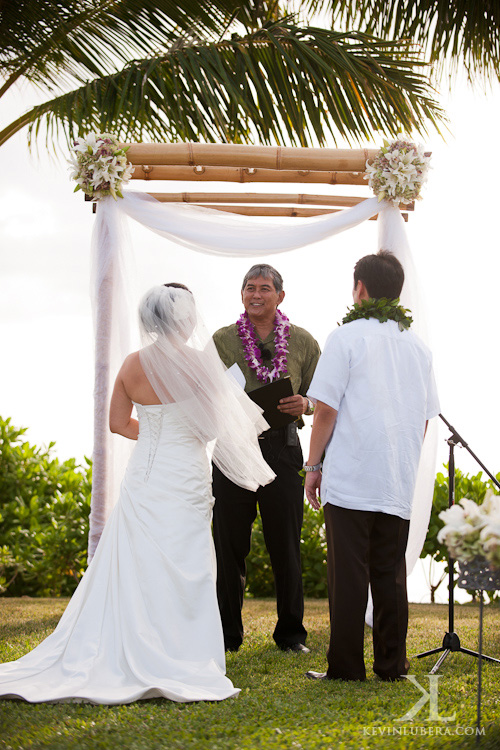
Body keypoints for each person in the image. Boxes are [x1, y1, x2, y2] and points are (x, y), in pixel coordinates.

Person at [0, 283, 275, 704]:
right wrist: (184, 431)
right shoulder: (201, 366)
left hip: (147, 474)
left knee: (136, 561)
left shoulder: (131, 364)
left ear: (149, 320)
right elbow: (212, 429)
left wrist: (156, 433)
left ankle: (125, 643)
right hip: (185, 473)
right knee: (189, 562)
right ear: (185, 320)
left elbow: (116, 423)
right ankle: (181, 652)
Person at [303, 251, 440, 682]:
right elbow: (423, 417)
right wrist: (403, 462)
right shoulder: (418, 346)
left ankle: (345, 668)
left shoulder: (345, 336)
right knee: (390, 574)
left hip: (351, 473)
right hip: (396, 476)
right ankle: (391, 666)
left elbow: (325, 409)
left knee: (348, 575)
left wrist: (312, 465)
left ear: (360, 289)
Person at [212, 264, 321, 653]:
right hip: (232, 448)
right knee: (229, 546)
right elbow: (208, 391)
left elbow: (322, 399)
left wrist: (304, 403)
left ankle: (291, 635)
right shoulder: (221, 340)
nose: (255, 294)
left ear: (280, 296)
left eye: (264, 288)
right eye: (248, 288)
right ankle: (227, 635)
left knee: (285, 546)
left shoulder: (304, 342)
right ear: (241, 294)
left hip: (283, 448)